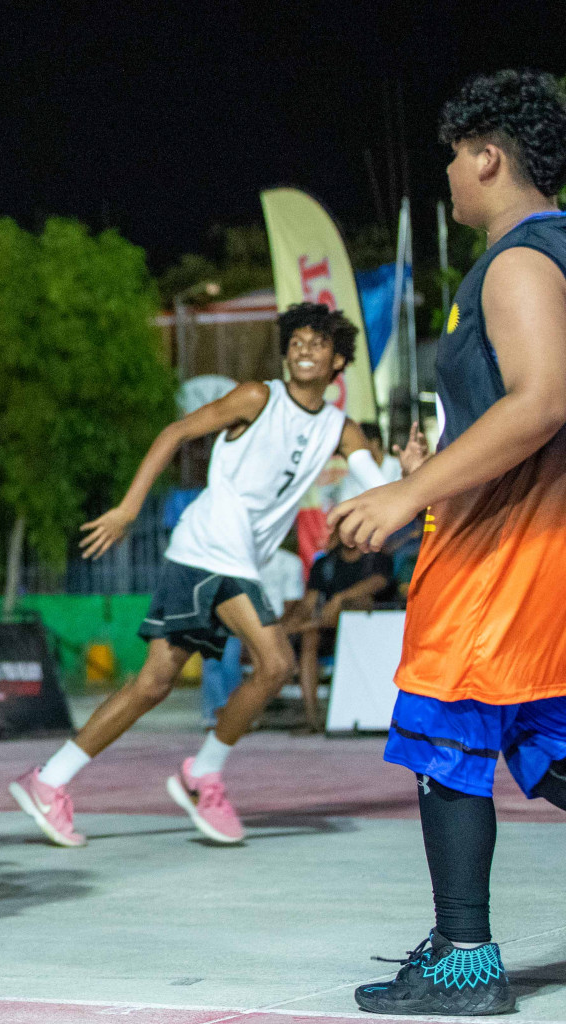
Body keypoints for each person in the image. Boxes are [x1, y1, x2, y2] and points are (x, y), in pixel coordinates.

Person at [331, 70, 566, 1016]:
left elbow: (544, 397)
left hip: (508, 549)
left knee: (446, 732)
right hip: (536, 543)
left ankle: (465, 960)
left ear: (489, 154)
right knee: (548, 748)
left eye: (453, 160)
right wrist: (444, 451)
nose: (449, 178)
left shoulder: (517, 260)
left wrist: (408, 492)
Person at [10, 302, 388, 847]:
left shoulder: (341, 429)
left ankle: (48, 780)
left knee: (154, 682)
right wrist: (129, 507)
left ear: (338, 360)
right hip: (209, 548)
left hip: (231, 559)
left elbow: (379, 488)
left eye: (318, 342)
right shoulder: (257, 396)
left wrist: (414, 474)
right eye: (297, 340)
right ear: (286, 352)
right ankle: (203, 773)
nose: (305, 348)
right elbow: (174, 433)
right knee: (276, 660)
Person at [280, 539, 396, 728]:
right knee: (309, 639)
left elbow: (378, 582)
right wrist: (298, 618)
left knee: (354, 603)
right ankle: (312, 716)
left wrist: (340, 598)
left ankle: (303, 627)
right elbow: (310, 602)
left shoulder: (376, 559)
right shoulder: (326, 563)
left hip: (368, 629)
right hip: (328, 629)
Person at [200, 541, 304, 728]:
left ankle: (239, 715)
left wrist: (258, 633)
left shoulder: (290, 562)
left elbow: (291, 605)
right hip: (239, 624)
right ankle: (215, 715)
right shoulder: (238, 563)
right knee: (213, 655)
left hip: (276, 627)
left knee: (233, 659)